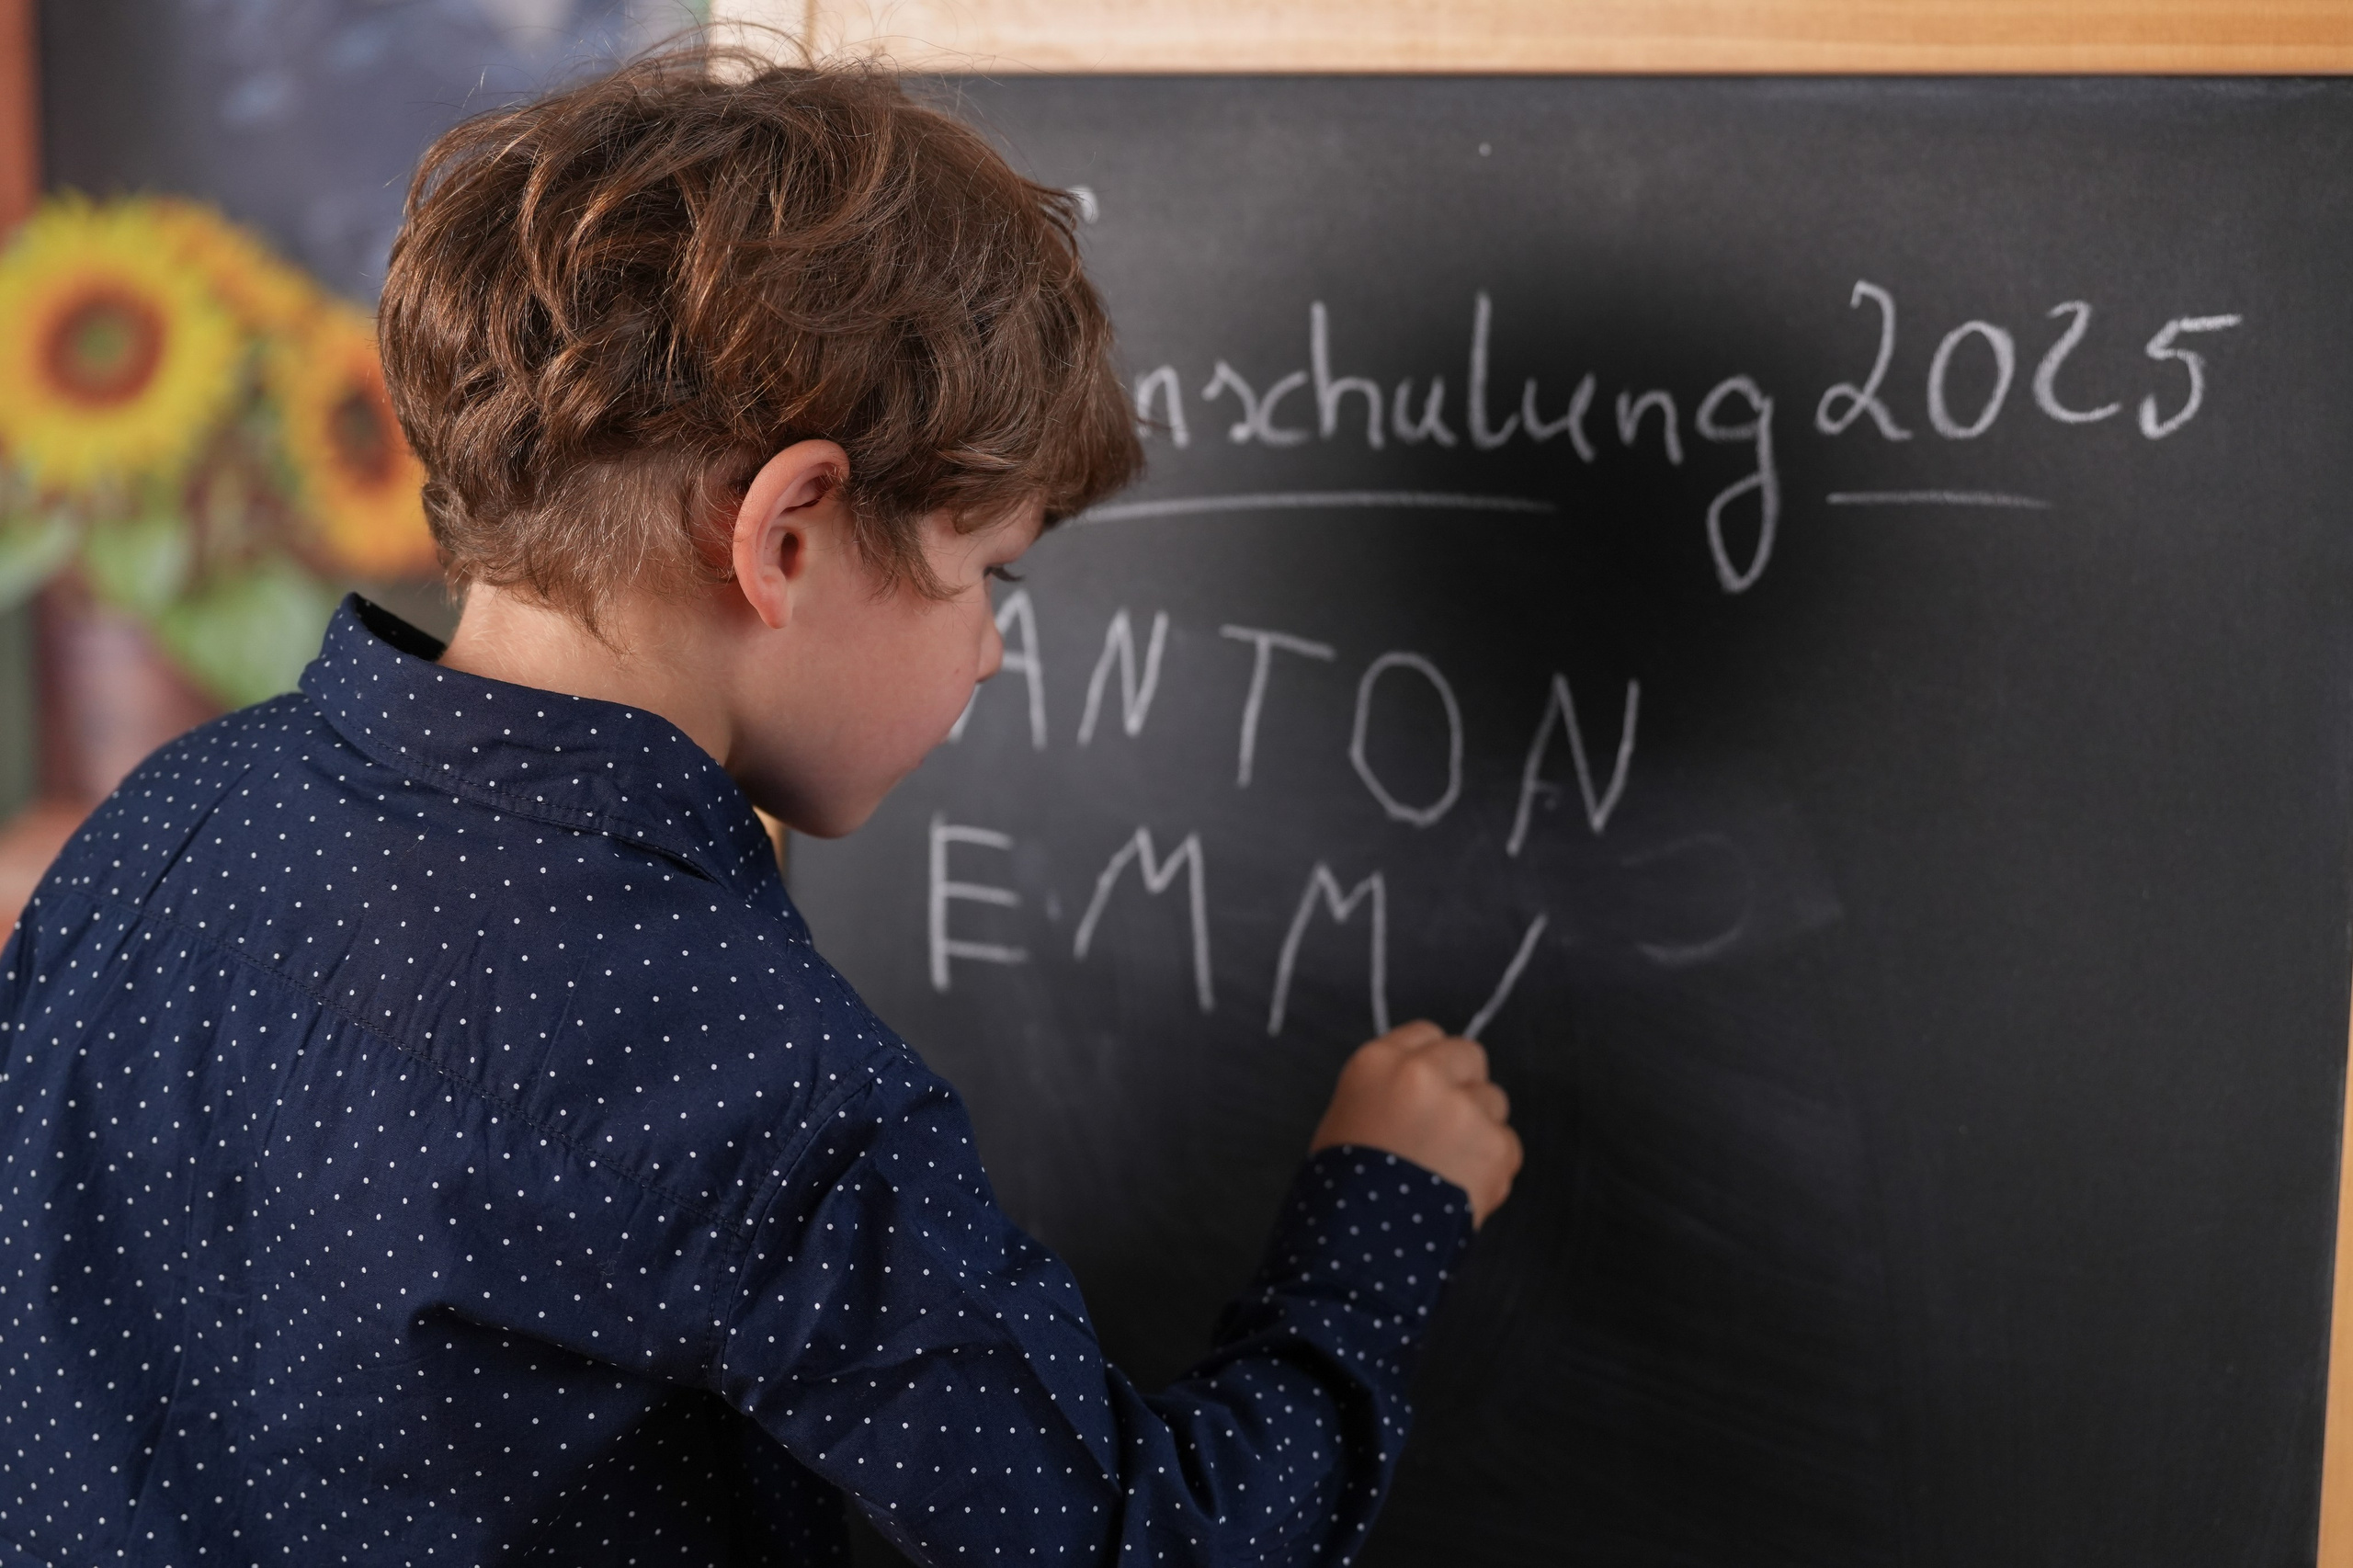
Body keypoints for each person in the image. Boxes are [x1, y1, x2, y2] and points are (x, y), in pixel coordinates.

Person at [0, 42, 1519, 1566]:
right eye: (987, 574)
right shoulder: (730, 1065)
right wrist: (1380, 1218)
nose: (994, 648)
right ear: (788, 532)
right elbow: (1152, 1542)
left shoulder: (168, 815)